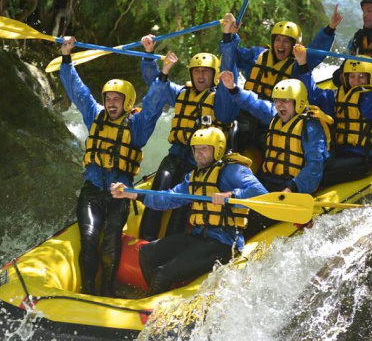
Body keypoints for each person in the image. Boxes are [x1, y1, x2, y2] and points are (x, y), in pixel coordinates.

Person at [60, 36, 165, 297]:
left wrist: (156, 66)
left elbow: (152, 106)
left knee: (109, 243)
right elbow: (78, 91)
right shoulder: (95, 114)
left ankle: (106, 289)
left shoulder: (137, 127)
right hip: (92, 192)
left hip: (119, 195)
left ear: (128, 102)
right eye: (108, 98)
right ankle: (87, 289)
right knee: (89, 239)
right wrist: (66, 57)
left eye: (117, 99)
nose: (111, 103)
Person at [110, 127, 268, 296]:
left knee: (163, 273)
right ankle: (162, 298)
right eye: (196, 149)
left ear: (218, 149)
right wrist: (132, 194)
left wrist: (232, 195)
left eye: (204, 148)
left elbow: (261, 193)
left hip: (224, 242)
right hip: (199, 237)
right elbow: (168, 199)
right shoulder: (194, 177)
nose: (198, 153)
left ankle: (154, 309)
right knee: (146, 253)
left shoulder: (232, 170)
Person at [136, 43, 241, 241]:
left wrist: (228, 40)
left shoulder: (221, 98)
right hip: (176, 154)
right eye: (197, 71)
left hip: (200, 161)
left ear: (215, 74)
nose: (201, 76)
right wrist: (149, 55)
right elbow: (156, 83)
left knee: (183, 202)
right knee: (161, 182)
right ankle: (145, 239)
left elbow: (230, 69)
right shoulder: (181, 93)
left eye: (206, 72)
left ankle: (170, 242)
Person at [220, 69, 332, 236]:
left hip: (292, 187)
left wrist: (291, 188)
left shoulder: (310, 127)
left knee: (251, 225)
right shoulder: (275, 116)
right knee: (232, 213)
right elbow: (254, 103)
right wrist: (233, 88)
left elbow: (315, 166)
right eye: (277, 101)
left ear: (298, 102)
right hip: (268, 183)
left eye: (285, 101)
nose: (280, 105)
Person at [219, 6, 342, 151]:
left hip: (271, 118)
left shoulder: (297, 64)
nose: (281, 45)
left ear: (294, 44)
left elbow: (316, 51)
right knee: (235, 134)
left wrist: (330, 29)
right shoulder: (257, 55)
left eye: (286, 41)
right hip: (245, 111)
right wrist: (230, 35)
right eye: (277, 39)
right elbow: (231, 56)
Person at [299, 47, 372, 186]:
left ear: (370, 77)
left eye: (361, 76)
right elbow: (313, 95)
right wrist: (302, 64)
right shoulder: (337, 96)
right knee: (306, 164)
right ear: (346, 78)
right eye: (352, 77)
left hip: (362, 158)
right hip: (339, 152)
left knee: (319, 171)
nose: (356, 81)